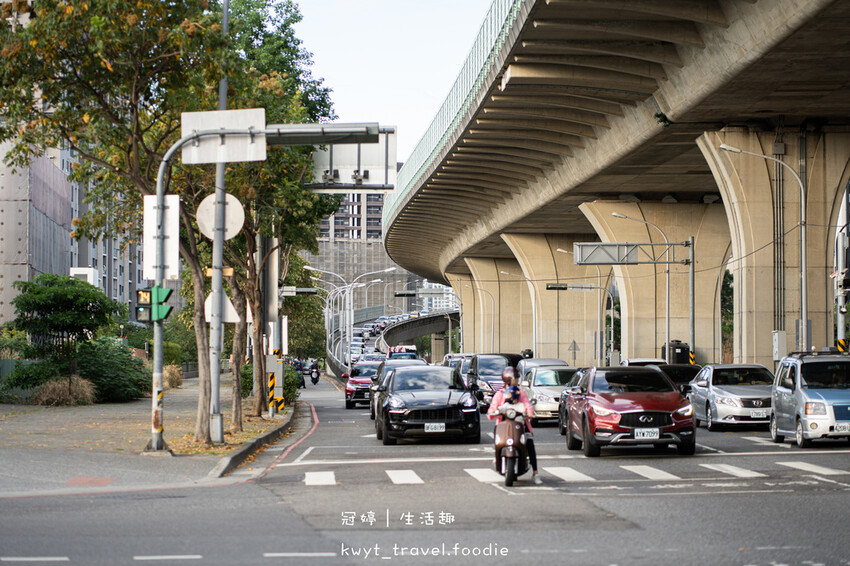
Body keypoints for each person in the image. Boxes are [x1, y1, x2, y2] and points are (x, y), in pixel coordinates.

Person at [487, 367, 541, 484]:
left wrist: (529, 412)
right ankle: (497, 455)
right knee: (497, 436)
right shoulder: (499, 394)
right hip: (503, 424)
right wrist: (494, 411)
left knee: (530, 443)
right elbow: (493, 408)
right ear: (509, 379)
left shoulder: (521, 392)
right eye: (516, 378)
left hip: (520, 423)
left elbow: (527, 405)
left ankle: (535, 472)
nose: (518, 380)